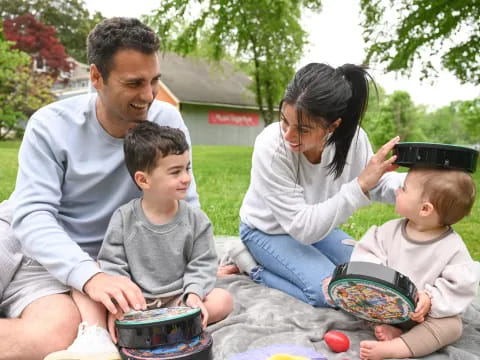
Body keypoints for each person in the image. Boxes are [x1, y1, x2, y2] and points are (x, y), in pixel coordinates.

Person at [0, 17, 199, 360]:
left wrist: (195, 258)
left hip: (100, 263)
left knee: (52, 335)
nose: (148, 96)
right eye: (134, 83)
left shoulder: (167, 121)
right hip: (34, 247)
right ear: (96, 77)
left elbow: (184, 204)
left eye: (154, 81)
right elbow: (32, 215)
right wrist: (90, 277)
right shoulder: (50, 125)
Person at [47, 122, 233, 358]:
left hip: (177, 300)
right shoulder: (124, 218)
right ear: (144, 180)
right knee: (85, 280)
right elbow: (112, 263)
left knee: (223, 299)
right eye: (175, 172)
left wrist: (194, 294)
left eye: (187, 168)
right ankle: (100, 335)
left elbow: (202, 262)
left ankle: (168, 327)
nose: (186, 178)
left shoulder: (196, 219)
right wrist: (121, 303)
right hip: (135, 303)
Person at [237, 63, 405, 307]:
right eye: (285, 121)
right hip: (267, 230)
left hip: (318, 229)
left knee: (370, 280)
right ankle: (250, 266)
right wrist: (358, 187)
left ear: (333, 126)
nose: (289, 136)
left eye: (303, 129)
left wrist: (417, 185)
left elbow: (375, 184)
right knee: (330, 292)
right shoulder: (271, 146)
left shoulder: (353, 139)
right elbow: (302, 227)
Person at [351, 167, 479, 360]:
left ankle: (399, 347)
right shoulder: (389, 231)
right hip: (387, 307)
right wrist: (374, 283)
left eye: (403, 189)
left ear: (425, 209)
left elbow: (459, 286)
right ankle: (394, 329)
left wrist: (430, 300)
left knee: (452, 326)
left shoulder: (452, 248)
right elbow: (367, 255)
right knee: (357, 299)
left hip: (424, 317)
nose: (397, 191)